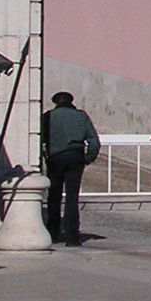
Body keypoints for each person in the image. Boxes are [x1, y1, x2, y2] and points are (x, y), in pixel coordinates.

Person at [43, 91, 100, 246]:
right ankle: (72, 237)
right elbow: (94, 141)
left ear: (55, 102)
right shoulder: (81, 116)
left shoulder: (48, 116)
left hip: (55, 158)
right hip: (75, 157)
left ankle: (52, 233)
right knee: (72, 198)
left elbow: (40, 138)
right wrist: (88, 158)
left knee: (54, 196)